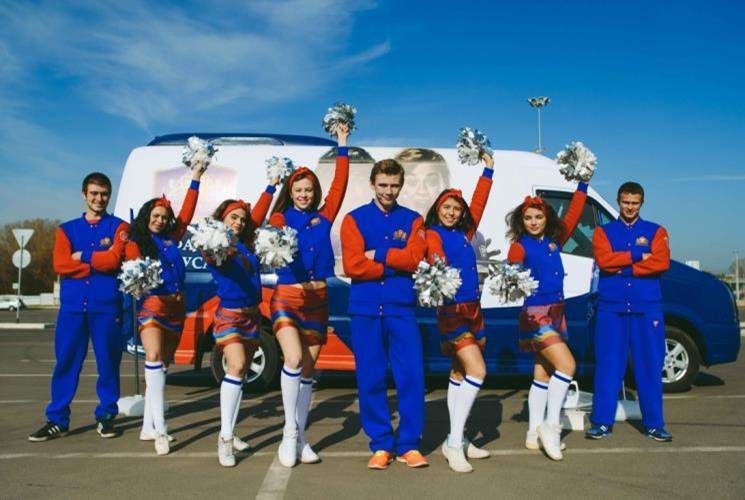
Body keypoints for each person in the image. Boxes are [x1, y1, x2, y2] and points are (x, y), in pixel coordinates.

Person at [268, 124, 350, 467]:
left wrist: (342, 143)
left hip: (318, 301)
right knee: (292, 359)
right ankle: (289, 434)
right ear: (291, 192)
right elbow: (271, 239)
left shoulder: (324, 215)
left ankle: (301, 436)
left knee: (307, 370)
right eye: (298, 190)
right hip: (288, 297)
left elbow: (339, 185)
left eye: (308, 190)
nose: (303, 194)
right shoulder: (280, 217)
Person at [340, 159, 428, 470]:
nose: (388, 191)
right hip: (365, 310)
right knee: (370, 377)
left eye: (394, 185)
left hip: (401, 309)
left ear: (401, 185)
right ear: (372, 184)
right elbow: (353, 265)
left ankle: (409, 444)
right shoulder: (354, 219)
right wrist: (395, 264)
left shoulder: (414, 220)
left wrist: (378, 254)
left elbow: (416, 260)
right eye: (383, 185)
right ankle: (380, 444)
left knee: (411, 376)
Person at [29, 173, 129, 441]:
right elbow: (61, 264)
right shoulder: (67, 229)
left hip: (106, 307)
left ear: (109, 196)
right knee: (66, 362)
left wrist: (83, 259)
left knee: (108, 363)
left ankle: (106, 416)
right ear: (84, 194)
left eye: (104, 194)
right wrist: (96, 264)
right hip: (73, 308)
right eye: (94, 193)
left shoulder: (120, 227)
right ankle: (57, 420)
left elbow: (113, 261)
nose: (99, 199)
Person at [505, 179, 589, 460]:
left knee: (543, 373)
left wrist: (583, 185)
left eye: (538, 217)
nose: (533, 222)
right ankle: (550, 427)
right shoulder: (519, 246)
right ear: (521, 221)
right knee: (567, 365)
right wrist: (512, 270)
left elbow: (573, 215)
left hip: (557, 311)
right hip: (536, 314)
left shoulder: (554, 242)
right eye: (528, 218)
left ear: (546, 218)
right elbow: (510, 272)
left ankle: (532, 433)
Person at [124, 167, 204, 455]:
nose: (159, 220)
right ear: (146, 216)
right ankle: (161, 429)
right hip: (153, 305)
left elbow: (187, 213)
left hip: (176, 307)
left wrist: (196, 177)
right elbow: (134, 270)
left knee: (162, 367)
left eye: (163, 216)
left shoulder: (172, 237)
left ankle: (147, 427)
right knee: (154, 358)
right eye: (155, 216)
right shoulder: (136, 242)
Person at [423, 152, 494, 473]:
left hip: (473, 309)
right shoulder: (433, 233)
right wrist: (439, 266)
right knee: (478, 371)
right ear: (438, 210)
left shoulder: (465, 234)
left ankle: (459, 437)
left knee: (460, 373)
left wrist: (488, 170)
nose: (452, 212)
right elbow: (436, 259)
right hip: (452, 311)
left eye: (456, 209)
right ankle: (453, 443)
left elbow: (478, 203)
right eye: (446, 208)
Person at [586, 182, 672, 442]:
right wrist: (638, 255)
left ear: (641, 203)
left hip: (647, 309)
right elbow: (604, 261)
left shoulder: (656, 231)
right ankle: (602, 422)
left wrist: (624, 266)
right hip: (611, 309)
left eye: (634, 203)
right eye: (625, 202)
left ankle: (654, 425)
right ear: (618, 201)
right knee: (608, 366)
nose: (630, 207)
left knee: (650, 366)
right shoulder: (603, 232)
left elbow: (661, 262)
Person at [203, 181, 277, 467]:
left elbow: (256, 215)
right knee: (235, 367)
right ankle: (224, 439)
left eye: (242, 219)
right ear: (222, 219)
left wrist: (272, 186)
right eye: (233, 217)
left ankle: (231, 432)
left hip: (252, 316)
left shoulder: (244, 244)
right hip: (230, 315)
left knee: (242, 372)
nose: (239, 222)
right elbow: (212, 253)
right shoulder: (215, 242)